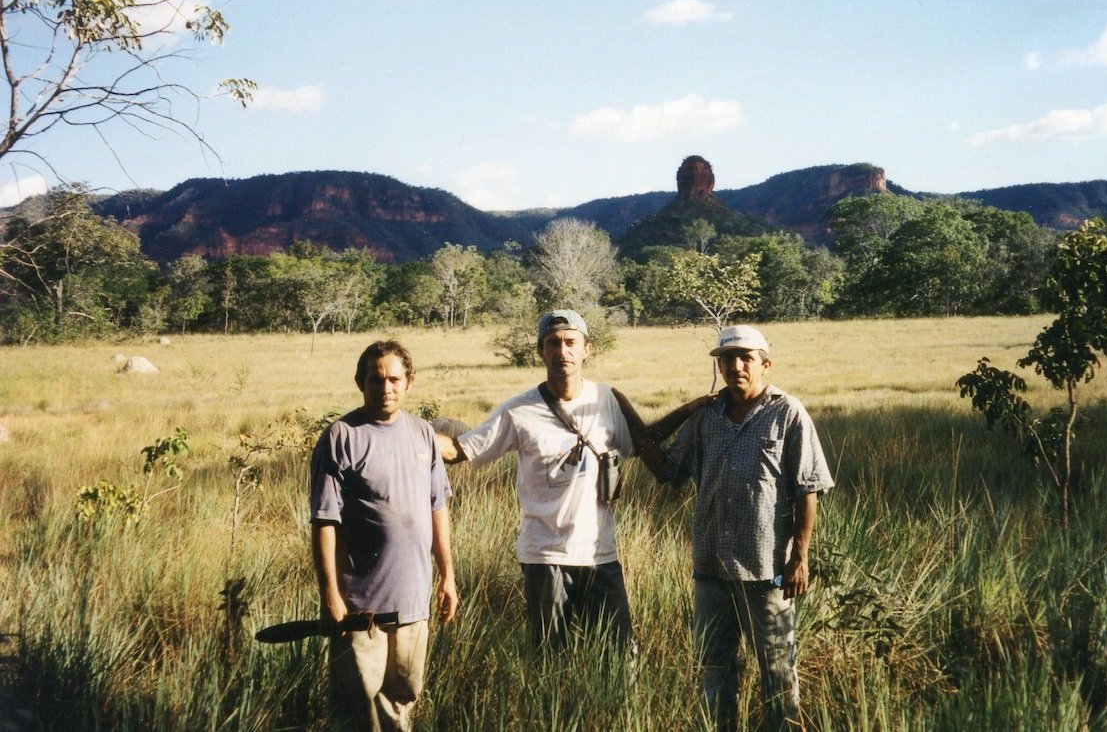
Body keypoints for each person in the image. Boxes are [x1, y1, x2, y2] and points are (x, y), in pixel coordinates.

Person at [437, 309, 705, 652]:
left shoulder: (606, 399)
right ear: (541, 352)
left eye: (570, 342)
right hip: (545, 556)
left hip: (599, 554)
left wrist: (690, 409)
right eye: (553, 343)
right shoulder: (518, 411)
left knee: (618, 655)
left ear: (586, 349)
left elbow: (644, 442)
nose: (562, 351)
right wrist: (406, 433)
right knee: (550, 656)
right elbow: (461, 450)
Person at [665, 325, 834, 731]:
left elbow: (807, 487)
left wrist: (800, 557)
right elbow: (670, 470)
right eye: (727, 359)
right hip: (711, 568)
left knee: (777, 671)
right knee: (715, 670)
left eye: (746, 358)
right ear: (720, 366)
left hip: (766, 570)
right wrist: (672, 414)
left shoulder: (787, 412)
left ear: (765, 364)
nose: (736, 366)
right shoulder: (706, 416)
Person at [310, 339, 458, 732]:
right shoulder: (341, 436)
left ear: (410, 382)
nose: (386, 388)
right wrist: (330, 594)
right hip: (361, 609)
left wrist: (448, 577)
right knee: (356, 710)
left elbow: (437, 507)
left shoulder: (423, 434)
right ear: (361, 382)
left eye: (394, 379)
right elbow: (325, 521)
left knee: (400, 701)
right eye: (376, 380)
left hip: (413, 603)